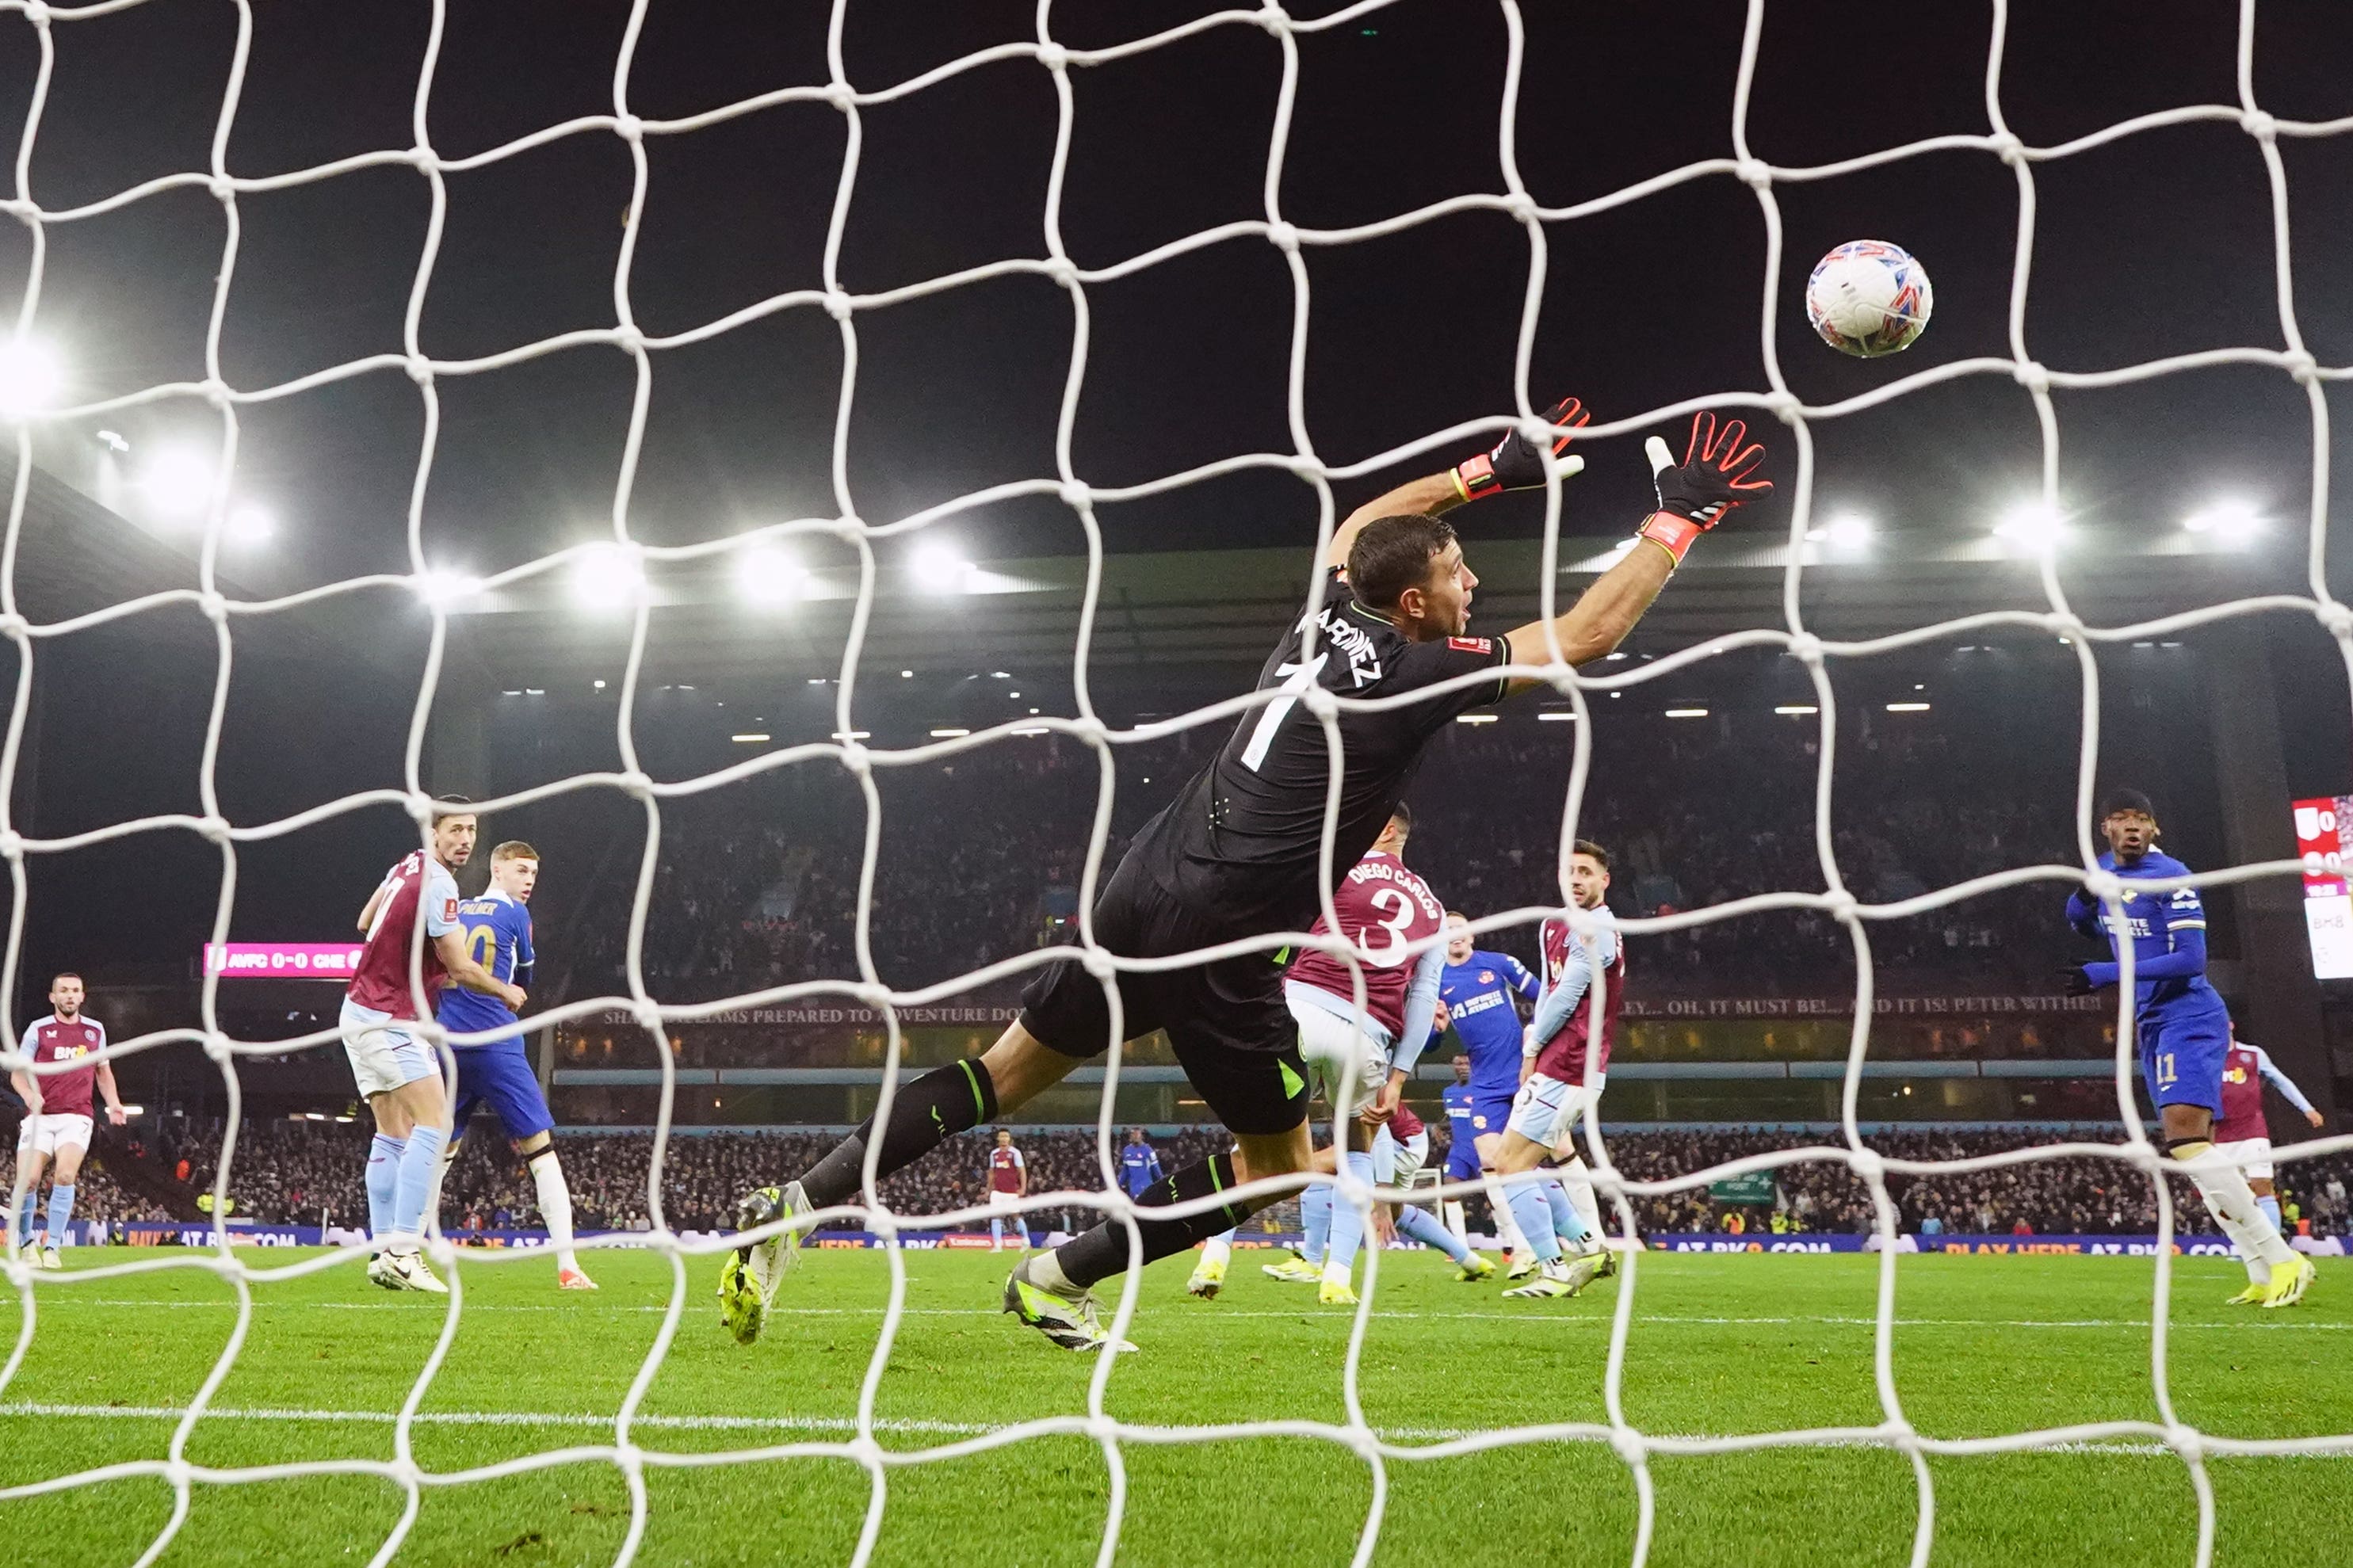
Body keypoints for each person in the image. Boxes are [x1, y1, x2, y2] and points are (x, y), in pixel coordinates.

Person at [720, 402, 1775, 1351]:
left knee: (996, 1075)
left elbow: (1356, 530)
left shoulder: (1331, 616)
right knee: (1283, 1161)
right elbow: (1585, 633)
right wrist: (1677, 518)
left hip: (1143, 882)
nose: (1474, 586)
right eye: (1459, 575)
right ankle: (1057, 1276)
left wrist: (1487, 469)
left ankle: (797, 1205)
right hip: (1225, 936)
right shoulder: (1414, 670)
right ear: (1413, 601)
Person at [2061, 788, 2313, 1307]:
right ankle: (2260, 1270)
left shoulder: (2171, 876)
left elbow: (2190, 960)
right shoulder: (2106, 872)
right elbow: (2080, 920)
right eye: (2120, 818)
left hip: (2189, 1015)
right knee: (2192, 1150)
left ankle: (2284, 1257)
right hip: (2152, 1021)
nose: (2131, 826)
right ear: (2104, 827)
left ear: (2155, 829)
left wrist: (2106, 973)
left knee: (2184, 1138)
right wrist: (2083, 898)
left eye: (2141, 819)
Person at [344, 803, 525, 1293]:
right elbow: (462, 966)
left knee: (392, 1131)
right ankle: (405, 1249)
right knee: (435, 1122)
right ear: (433, 831)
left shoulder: (405, 864)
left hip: (357, 1011)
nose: (465, 839)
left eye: (471, 831)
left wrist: (418, 960)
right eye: (455, 830)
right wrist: (506, 991)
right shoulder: (442, 884)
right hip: (391, 1018)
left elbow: (365, 921)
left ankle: (383, 1251)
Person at [430, 841, 594, 1291]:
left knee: (437, 1154)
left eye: (533, 875)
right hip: (496, 1044)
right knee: (540, 1151)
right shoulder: (516, 915)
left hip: (447, 1043)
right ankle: (567, 1265)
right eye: (521, 871)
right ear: (497, 870)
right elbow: (524, 981)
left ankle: (411, 1251)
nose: (528, 882)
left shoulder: (454, 909)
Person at [1488, 841, 1622, 1300]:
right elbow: (1548, 987)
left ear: (1604, 881)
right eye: (1570, 871)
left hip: (1572, 1064)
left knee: (1509, 1167)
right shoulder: (1553, 925)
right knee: (1516, 1163)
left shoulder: (1599, 929)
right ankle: (1588, 1248)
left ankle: (1554, 1268)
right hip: (1555, 1063)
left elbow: (1569, 996)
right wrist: (1533, 1043)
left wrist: (1533, 1050)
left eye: (1586, 872)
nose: (1577, 879)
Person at [1427, 912, 1544, 1272]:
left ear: (1472, 935)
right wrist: (1437, 1029)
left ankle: (1582, 1237)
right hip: (1485, 1083)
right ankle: (1523, 1247)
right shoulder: (1436, 981)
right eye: (1447, 931)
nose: (1455, 936)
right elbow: (1430, 1044)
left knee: (1541, 1159)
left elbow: (1546, 996)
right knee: (1493, 1161)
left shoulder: (1498, 965)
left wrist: (1534, 1035)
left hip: (1523, 1073)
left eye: (1460, 929)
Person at [10, 974, 127, 1268]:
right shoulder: (39, 1029)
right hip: (40, 1117)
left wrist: (113, 1104)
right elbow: (17, 1073)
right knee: (29, 1179)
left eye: (75, 991)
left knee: (64, 1176)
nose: (70, 996)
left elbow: (103, 1072)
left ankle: (52, 1247)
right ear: (53, 997)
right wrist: (28, 1096)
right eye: (63, 991)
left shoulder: (95, 1031)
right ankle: (26, 1243)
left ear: (83, 997)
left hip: (76, 1115)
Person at [2209, 1028, 2324, 1303]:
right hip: (2219, 1137)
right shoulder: (2206, 1057)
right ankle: (2259, 1277)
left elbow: (2280, 1080)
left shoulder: (2252, 1054)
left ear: (2231, 1026)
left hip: (2252, 1132)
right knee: (2226, 1200)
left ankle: (2277, 1255)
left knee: (2261, 1186)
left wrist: (2306, 1108)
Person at [1438, 1053, 1479, 1245]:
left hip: (1483, 1150)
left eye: (1466, 1063)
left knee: (1498, 1198)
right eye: (1458, 1063)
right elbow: (1453, 1118)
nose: (1463, 1067)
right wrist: (1439, 1127)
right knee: (1450, 1193)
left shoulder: (1482, 1089)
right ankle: (1460, 1246)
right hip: (1459, 1152)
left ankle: (1509, 1246)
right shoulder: (1448, 1092)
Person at [986, 1129, 1031, 1252]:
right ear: (998, 1139)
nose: (1004, 1138)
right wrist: (988, 1189)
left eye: (1006, 1136)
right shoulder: (994, 1154)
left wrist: (1023, 1188)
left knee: (1015, 1216)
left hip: (1011, 1191)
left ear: (1009, 1139)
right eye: (1002, 1136)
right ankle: (997, 1245)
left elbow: (1022, 1171)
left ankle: (1026, 1240)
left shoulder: (1015, 1153)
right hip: (997, 1191)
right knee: (995, 1216)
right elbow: (991, 1173)